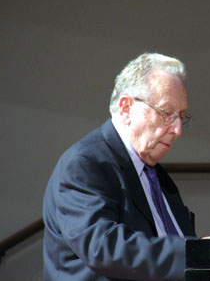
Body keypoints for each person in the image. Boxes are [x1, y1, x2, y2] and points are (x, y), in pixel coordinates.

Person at [43, 53, 197, 281]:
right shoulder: (85, 163)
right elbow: (103, 247)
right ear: (126, 108)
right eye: (166, 113)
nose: (177, 130)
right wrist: (200, 253)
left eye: (181, 117)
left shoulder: (159, 176)